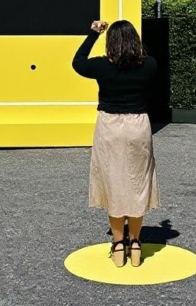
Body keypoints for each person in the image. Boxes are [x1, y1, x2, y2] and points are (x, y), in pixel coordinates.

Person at [72, 20, 159, 267]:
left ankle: (119, 244)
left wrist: (93, 34)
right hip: (138, 124)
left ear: (111, 42)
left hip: (109, 126)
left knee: (113, 183)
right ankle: (136, 243)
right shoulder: (149, 65)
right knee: (138, 184)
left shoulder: (101, 66)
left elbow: (77, 62)